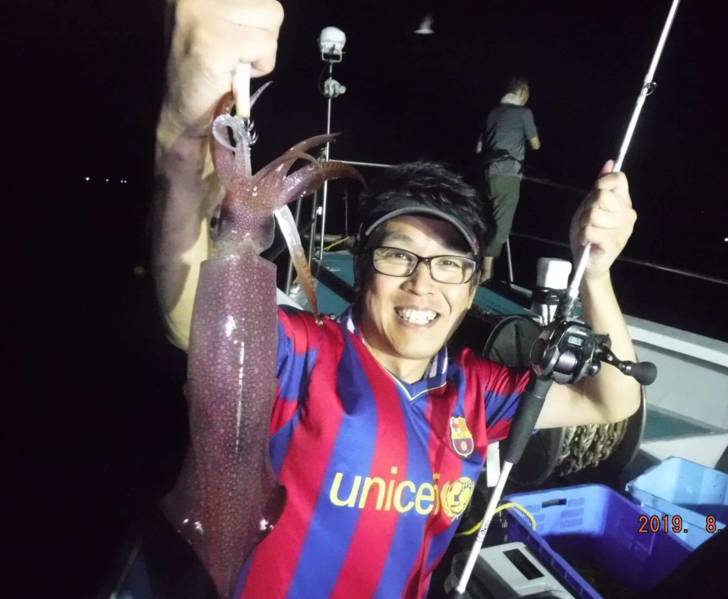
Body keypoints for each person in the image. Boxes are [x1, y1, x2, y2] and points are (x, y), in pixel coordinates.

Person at [152, 1, 640, 597]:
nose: (423, 283)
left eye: (450, 264)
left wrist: (597, 274)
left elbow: (611, 400)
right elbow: (193, 321)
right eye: (399, 255)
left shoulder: (478, 392)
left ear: (471, 289)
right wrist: (182, 147)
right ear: (363, 271)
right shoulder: (305, 354)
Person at [475, 76, 542, 282]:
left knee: (485, 220)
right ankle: (486, 273)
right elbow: (536, 145)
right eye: (527, 93)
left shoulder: (493, 112)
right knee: (501, 225)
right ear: (521, 92)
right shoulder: (524, 113)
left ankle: (474, 263)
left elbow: (478, 148)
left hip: (486, 174)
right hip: (508, 175)